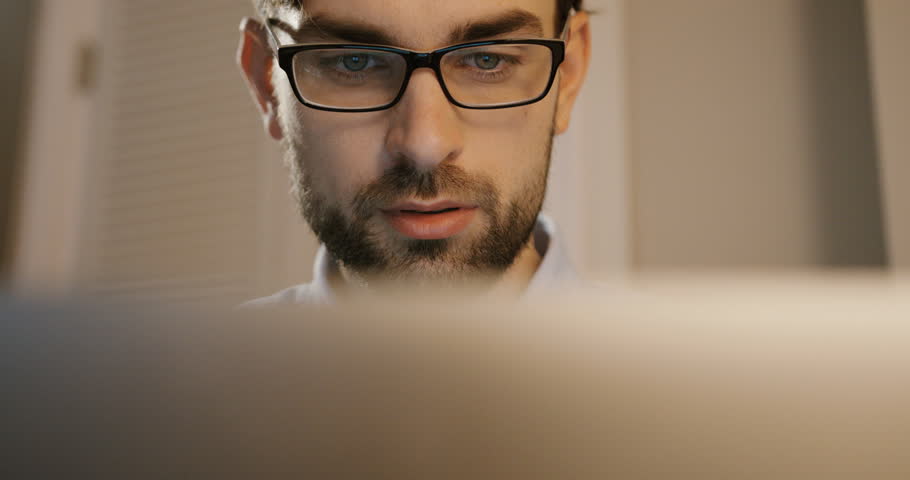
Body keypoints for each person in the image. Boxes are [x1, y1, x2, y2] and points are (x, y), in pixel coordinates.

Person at [237, 0, 591, 304]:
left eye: (486, 60)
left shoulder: (648, 378)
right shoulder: (190, 381)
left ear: (568, 75)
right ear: (267, 83)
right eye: (353, 62)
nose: (425, 146)